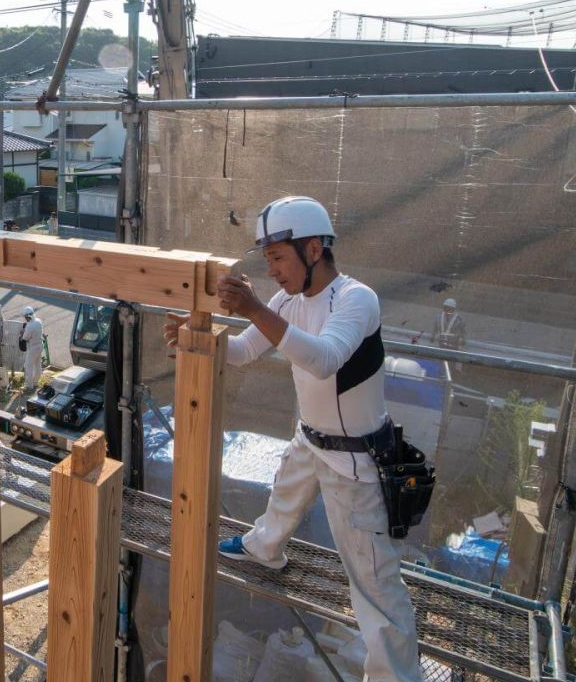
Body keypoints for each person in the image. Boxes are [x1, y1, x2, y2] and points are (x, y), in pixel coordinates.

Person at [165, 196, 422, 682]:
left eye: (278, 258)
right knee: (283, 499)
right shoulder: (287, 302)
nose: (273, 271)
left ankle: (396, 676)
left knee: (375, 587)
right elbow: (241, 352)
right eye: (267, 260)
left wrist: (257, 308)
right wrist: (194, 340)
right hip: (312, 439)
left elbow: (324, 358)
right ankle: (265, 547)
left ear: (313, 249)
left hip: (357, 463)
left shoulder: (355, 299)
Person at [19, 305, 44, 391]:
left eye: (25, 317)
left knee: (28, 366)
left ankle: (29, 386)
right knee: (37, 365)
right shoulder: (39, 321)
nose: (25, 319)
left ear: (27, 316)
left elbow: (25, 338)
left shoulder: (29, 326)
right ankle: (36, 382)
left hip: (33, 347)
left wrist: (22, 333)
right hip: (40, 345)